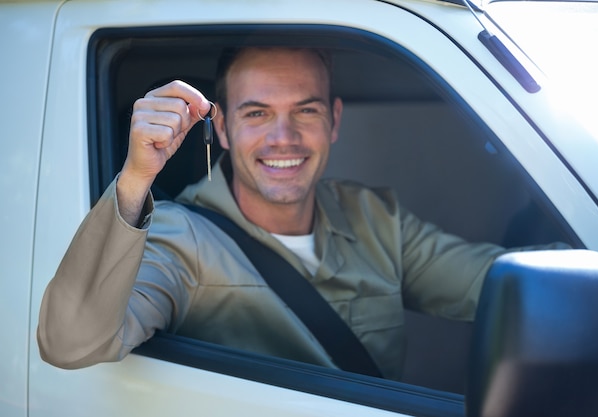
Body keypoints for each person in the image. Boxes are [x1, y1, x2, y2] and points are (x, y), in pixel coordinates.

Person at [37, 47, 567, 380]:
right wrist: (135, 177)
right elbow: (70, 342)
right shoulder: (182, 238)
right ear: (221, 130)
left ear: (334, 119)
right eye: (257, 113)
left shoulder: (374, 217)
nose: (284, 138)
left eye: (306, 110)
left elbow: (500, 281)